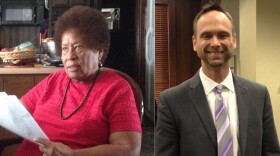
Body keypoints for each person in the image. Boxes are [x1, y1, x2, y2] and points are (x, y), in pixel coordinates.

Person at [155, 2, 280, 156]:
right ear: (195, 43)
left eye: (222, 35)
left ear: (234, 41)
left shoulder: (259, 95)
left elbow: (271, 152)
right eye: (207, 36)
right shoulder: (171, 102)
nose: (215, 43)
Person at [15, 5, 142, 156]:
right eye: (64, 48)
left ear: (99, 52)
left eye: (78, 47)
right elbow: (16, 111)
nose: (70, 56)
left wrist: (73, 154)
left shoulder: (117, 89)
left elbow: (129, 149)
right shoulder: (54, 80)